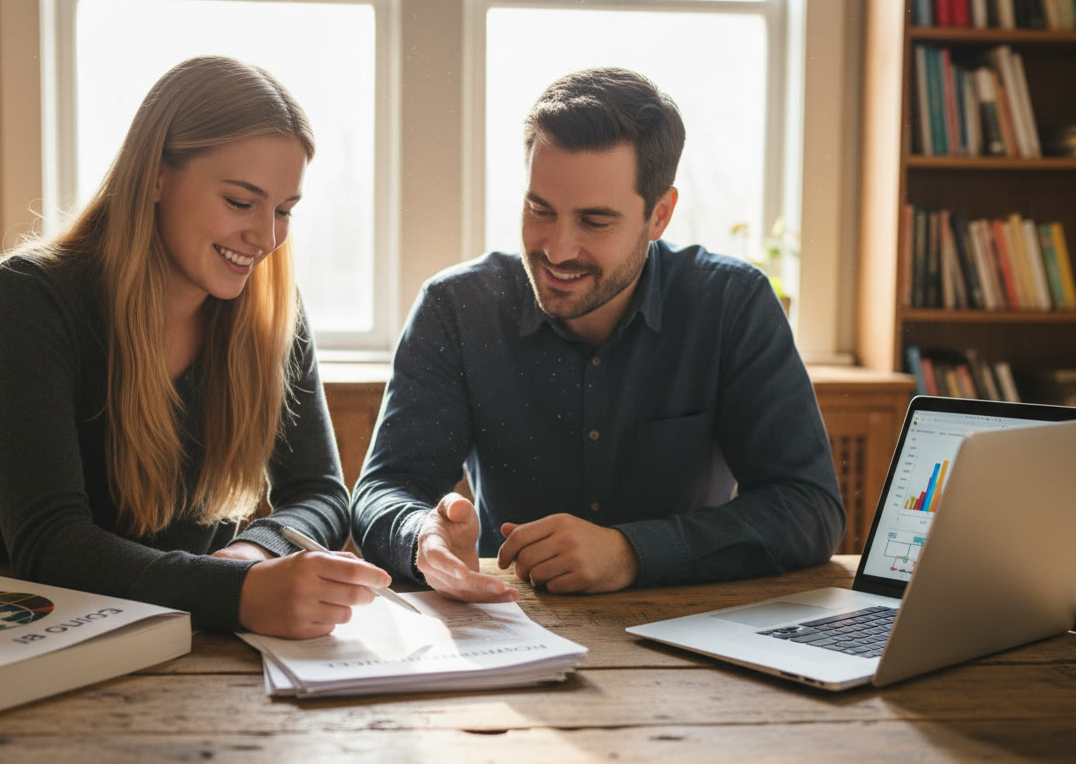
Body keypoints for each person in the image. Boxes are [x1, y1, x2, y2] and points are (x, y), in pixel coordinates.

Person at [351, 67, 844, 602]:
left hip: (692, 634)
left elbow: (809, 507)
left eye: (595, 221)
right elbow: (385, 489)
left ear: (659, 215)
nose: (558, 249)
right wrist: (420, 534)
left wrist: (633, 552)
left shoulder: (731, 303)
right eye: (540, 210)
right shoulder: (456, 307)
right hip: (512, 629)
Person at [0, 56, 391, 638]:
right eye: (241, 202)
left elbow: (319, 492)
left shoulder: (270, 311)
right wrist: (230, 591)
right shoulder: (33, 294)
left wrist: (248, 557)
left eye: (284, 210)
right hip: (31, 634)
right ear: (156, 176)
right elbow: (49, 544)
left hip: (188, 638)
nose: (265, 238)